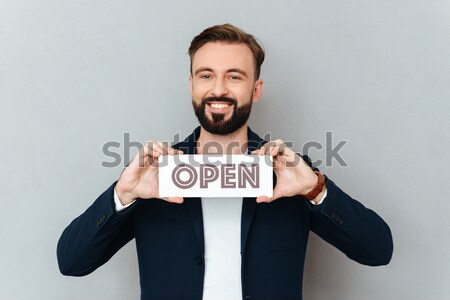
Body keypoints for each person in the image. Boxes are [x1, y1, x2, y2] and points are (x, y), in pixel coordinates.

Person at [57, 23, 393, 300]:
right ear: (191, 86)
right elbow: (72, 262)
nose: (219, 89)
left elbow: (377, 251)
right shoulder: (153, 175)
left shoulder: (291, 174)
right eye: (206, 76)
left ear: (256, 89)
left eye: (234, 76)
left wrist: (316, 190)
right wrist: (122, 196)